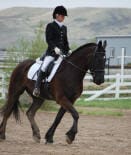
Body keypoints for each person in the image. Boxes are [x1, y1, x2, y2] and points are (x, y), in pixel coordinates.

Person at [33, 5, 72, 97]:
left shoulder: (64, 28)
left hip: (62, 54)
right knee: (44, 66)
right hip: (51, 53)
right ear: (57, 15)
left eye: (64, 16)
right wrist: (54, 48)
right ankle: (37, 88)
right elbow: (48, 40)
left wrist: (69, 49)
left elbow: (65, 41)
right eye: (62, 16)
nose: (63, 18)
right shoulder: (50, 26)